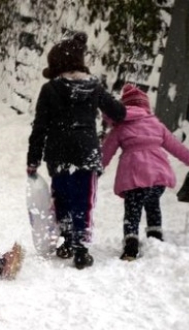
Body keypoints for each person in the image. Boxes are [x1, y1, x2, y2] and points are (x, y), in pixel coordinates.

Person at [26, 32, 126, 270]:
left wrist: (33, 160)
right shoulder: (94, 87)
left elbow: (40, 127)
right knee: (83, 200)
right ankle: (81, 248)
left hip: (58, 153)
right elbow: (119, 113)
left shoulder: (49, 89)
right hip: (85, 153)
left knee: (62, 197)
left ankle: (68, 241)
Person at [102, 84, 189, 260]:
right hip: (157, 177)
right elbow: (176, 147)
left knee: (133, 210)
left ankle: (131, 246)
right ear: (146, 107)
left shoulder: (121, 127)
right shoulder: (156, 124)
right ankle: (155, 237)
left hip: (134, 177)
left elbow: (106, 151)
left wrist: (95, 168)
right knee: (153, 204)